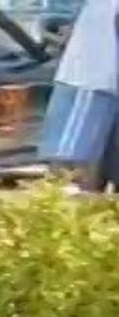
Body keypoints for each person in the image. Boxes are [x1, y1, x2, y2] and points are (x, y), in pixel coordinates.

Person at [42, 0, 117, 189]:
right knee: (71, 169)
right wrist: (59, 22)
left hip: (94, 77)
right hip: (93, 77)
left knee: (72, 168)